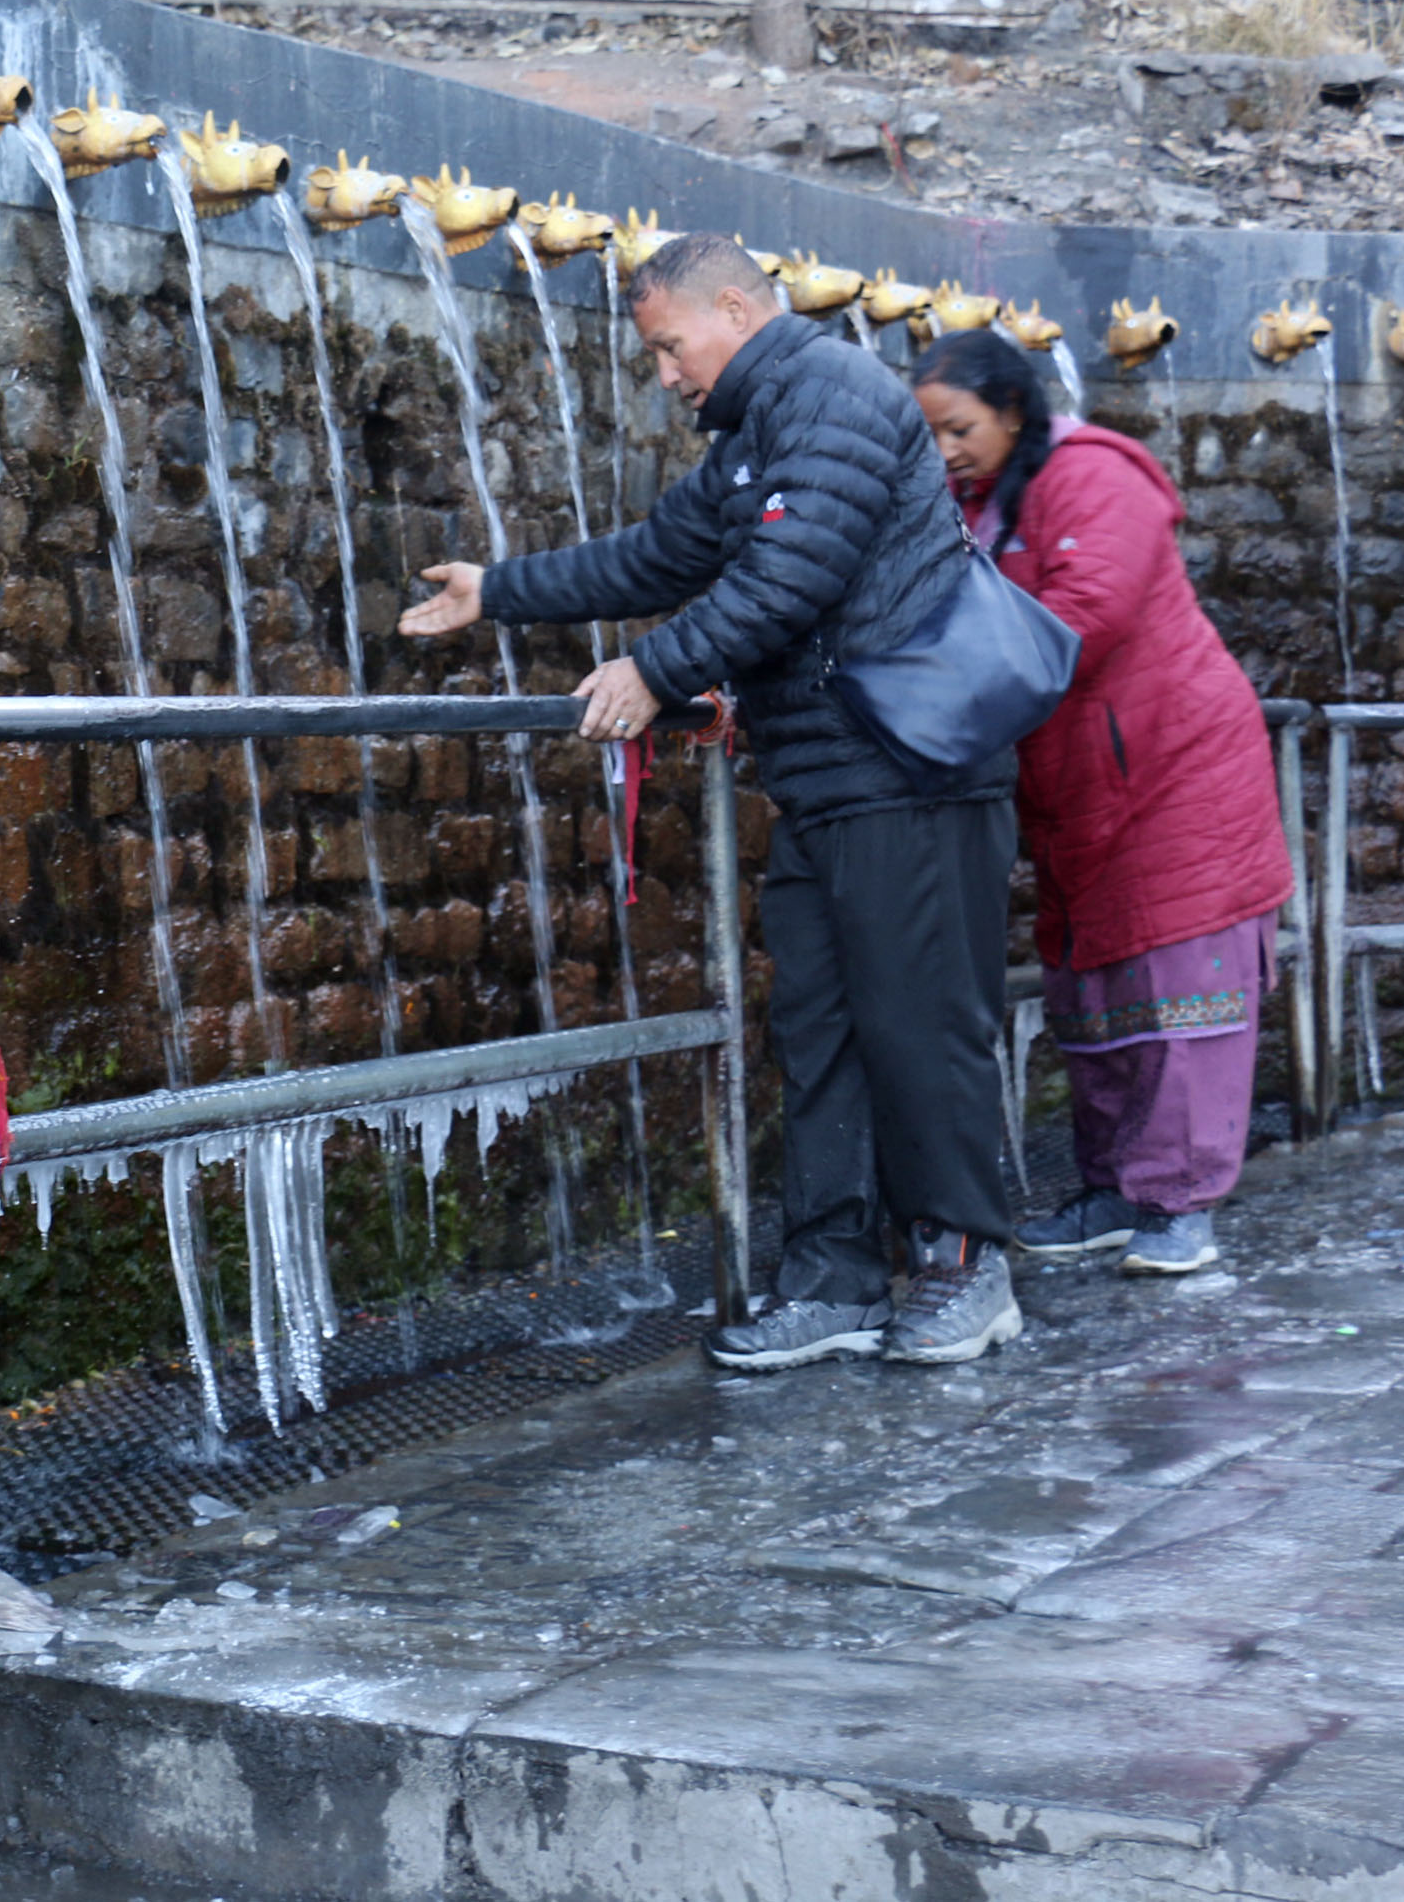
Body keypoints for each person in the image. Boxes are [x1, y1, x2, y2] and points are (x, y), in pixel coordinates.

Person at [402, 232, 1021, 1371]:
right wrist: (498, 590)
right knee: (824, 1032)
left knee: (923, 1025)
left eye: (670, 346)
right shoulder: (752, 434)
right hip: (830, 776)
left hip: (908, 776)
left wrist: (654, 673)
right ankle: (833, 1277)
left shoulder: (830, 392)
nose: (666, 372)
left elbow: (791, 579)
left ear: (734, 308)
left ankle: (964, 1270)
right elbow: (659, 555)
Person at [914, 329, 1293, 1275]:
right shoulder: (981, 499)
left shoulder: (1091, 477)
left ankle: (1182, 1203)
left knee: (1180, 988)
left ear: (1011, 411)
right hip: (1083, 784)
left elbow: (1088, 612)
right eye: (930, 436)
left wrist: (936, 691)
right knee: (1096, 990)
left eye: (958, 429)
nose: (945, 451)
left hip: (1175, 773)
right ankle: (1116, 1189)